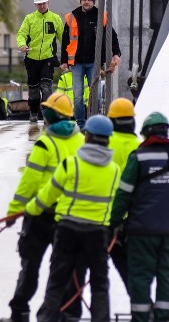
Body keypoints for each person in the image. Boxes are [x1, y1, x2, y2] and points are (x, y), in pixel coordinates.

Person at [27, 114, 121, 322]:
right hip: (97, 234)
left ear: (87, 137)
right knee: (99, 286)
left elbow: (47, 196)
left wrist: (30, 210)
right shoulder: (114, 170)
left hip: (67, 230)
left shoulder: (71, 165)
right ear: (108, 139)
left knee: (57, 283)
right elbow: (117, 205)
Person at [1, 92, 84, 322]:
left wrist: (13, 212)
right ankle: (63, 314)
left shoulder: (45, 143)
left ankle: (20, 312)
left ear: (50, 116)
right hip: (68, 216)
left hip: (40, 215)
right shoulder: (81, 142)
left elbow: (29, 183)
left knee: (30, 267)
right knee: (64, 269)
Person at [109, 112, 169, 322]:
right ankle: (164, 317)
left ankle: (141, 316)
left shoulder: (139, 158)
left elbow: (123, 193)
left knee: (140, 276)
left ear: (146, 134)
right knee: (166, 274)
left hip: (141, 229)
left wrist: (115, 222)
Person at [59, 0, 121, 128]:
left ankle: (92, 122)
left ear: (93, 1)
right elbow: (65, 40)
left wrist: (116, 53)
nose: (86, 2)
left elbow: (113, 36)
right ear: (81, 0)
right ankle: (81, 125)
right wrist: (64, 61)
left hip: (94, 62)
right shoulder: (72, 17)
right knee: (78, 96)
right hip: (77, 63)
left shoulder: (101, 17)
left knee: (96, 96)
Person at [106, 97, 141, 287]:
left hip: (103, 217)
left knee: (95, 271)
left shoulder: (105, 144)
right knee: (130, 270)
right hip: (130, 220)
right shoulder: (140, 147)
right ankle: (143, 308)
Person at [17, 0, 64, 124]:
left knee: (46, 87)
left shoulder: (55, 19)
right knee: (33, 88)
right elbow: (21, 34)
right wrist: (21, 45)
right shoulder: (29, 19)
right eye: (39, 4)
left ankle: (47, 113)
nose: (42, 6)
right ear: (35, 5)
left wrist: (67, 57)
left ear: (48, 3)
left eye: (44, 3)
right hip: (32, 59)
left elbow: (62, 38)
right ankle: (33, 112)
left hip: (48, 59)